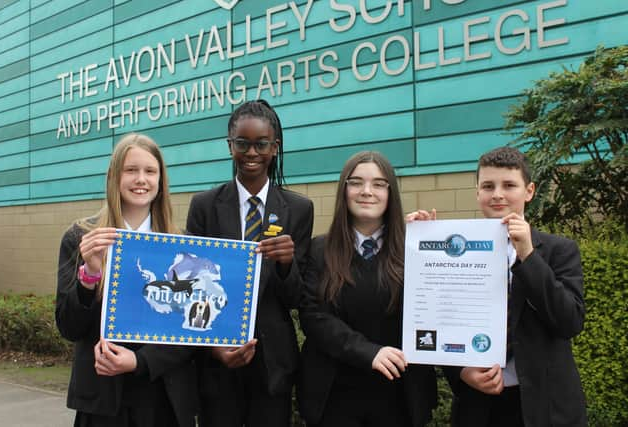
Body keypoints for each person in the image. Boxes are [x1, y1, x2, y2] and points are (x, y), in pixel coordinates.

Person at [413, 146, 586, 426]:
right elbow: (438, 318)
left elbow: (569, 322)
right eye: (488, 186)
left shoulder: (559, 251)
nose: (497, 194)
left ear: (529, 191)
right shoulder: (455, 248)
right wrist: (460, 371)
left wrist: (528, 256)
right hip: (479, 406)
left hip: (545, 405)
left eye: (509, 185)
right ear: (477, 193)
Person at [185, 99, 314, 427]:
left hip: (274, 364)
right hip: (218, 361)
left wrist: (287, 266)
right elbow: (192, 288)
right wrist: (215, 348)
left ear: (275, 147)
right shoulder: (204, 206)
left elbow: (297, 300)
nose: (252, 153)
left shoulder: (299, 209)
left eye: (261, 144)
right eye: (243, 143)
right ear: (231, 146)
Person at [56, 133, 198, 427]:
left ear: (161, 180)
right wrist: (90, 275)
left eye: (150, 171)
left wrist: (140, 362)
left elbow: (189, 335)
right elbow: (69, 327)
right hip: (104, 399)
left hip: (164, 396)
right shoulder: (82, 237)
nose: (141, 179)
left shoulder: (181, 245)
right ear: (114, 177)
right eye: (131, 170)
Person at [298, 151, 437, 427]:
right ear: (344, 190)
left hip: (400, 396)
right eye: (356, 182)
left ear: (391, 193)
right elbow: (314, 316)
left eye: (378, 184)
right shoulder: (318, 250)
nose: (366, 191)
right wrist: (368, 352)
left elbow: (437, 307)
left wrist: (433, 248)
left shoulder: (414, 248)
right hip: (334, 395)